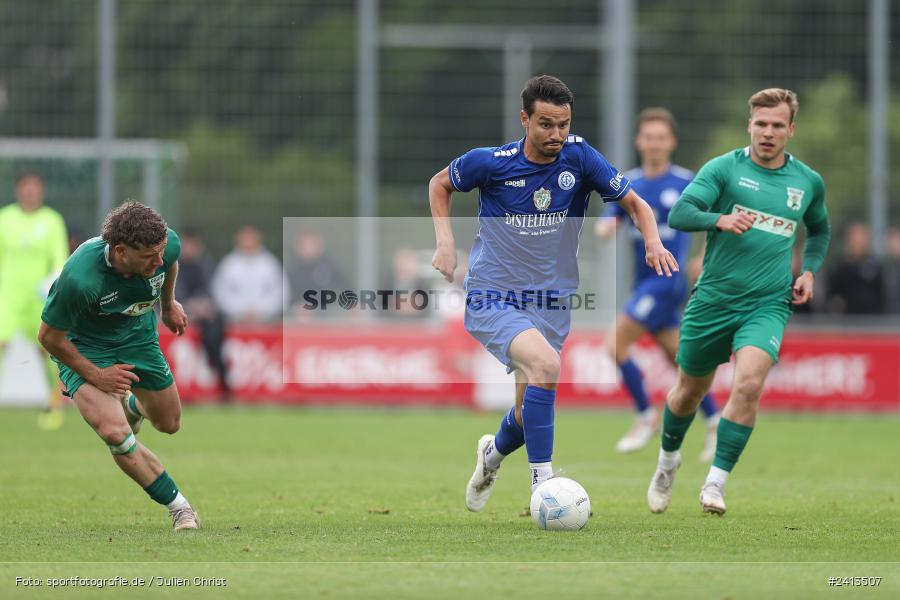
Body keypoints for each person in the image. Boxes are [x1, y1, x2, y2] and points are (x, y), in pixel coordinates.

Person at [429, 75, 678, 511]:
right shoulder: (492, 163)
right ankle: (543, 485)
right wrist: (445, 242)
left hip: (550, 301)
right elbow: (440, 184)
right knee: (546, 365)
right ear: (524, 119)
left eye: (563, 124)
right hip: (493, 295)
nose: (556, 134)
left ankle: (491, 456)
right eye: (546, 124)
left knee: (526, 413)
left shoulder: (580, 158)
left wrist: (653, 241)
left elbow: (636, 204)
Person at [645, 88, 831, 516]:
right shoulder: (724, 168)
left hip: (768, 303)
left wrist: (808, 271)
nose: (768, 132)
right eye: (761, 124)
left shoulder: (807, 181)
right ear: (750, 125)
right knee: (688, 393)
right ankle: (667, 462)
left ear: (791, 130)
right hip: (713, 300)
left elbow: (819, 229)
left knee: (748, 385)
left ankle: (715, 483)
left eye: (777, 125)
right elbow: (679, 213)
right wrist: (720, 219)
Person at [38, 201, 201, 531]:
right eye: (149, 257)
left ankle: (131, 405)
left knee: (169, 423)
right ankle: (180, 508)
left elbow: (170, 263)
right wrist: (97, 375)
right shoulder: (81, 279)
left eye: (160, 253)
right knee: (116, 434)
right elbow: (49, 337)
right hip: (85, 346)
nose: (158, 261)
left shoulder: (163, 246)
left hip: (137, 336)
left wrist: (168, 304)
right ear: (121, 251)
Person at [596, 108, 720, 459]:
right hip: (643, 284)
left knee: (615, 344)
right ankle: (716, 422)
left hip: (667, 282)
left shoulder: (685, 182)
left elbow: (715, 219)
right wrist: (606, 227)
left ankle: (645, 416)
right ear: (639, 141)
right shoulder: (628, 183)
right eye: (649, 137)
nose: (654, 143)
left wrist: (703, 257)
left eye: (660, 137)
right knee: (684, 363)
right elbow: (608, 221)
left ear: (672, 142)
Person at [0, 172, 69, 430]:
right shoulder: (5, 218)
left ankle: (55, 403)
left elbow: (60, 259)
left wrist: (54, 286)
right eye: (25, 188)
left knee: (47, 349)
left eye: (34, 188)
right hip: (8, 296)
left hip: (39, 298)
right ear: (18, 190)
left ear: (41, 191)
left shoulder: (52, 221)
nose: (29, 192)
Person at [176, 228, 231, 402]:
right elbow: (174, 293)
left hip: (203, 313)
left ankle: (216, 361)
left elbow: (211, 291)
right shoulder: (173, 265)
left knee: (216, 322)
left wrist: (203, 306)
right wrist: (192, 306)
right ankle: (215, 362)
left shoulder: (204, 264)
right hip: (178, 309)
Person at [212, 226, 287, 323]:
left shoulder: (270, 263)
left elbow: (281, 292)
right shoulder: (228, 264)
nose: (248, 243)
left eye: (251, 239)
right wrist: (239, 310)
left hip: (266, 322)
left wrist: (262, 310)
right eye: (245, 239)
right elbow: (220, 292)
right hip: (234, 322)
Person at [826, 222, 884, 315]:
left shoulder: (875, 266)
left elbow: (882, 294)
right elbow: (833, 296)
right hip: (848, 319)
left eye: (861, 236)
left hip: (872, 318)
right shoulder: (840, 268)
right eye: (855, 236)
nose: (858, 240)